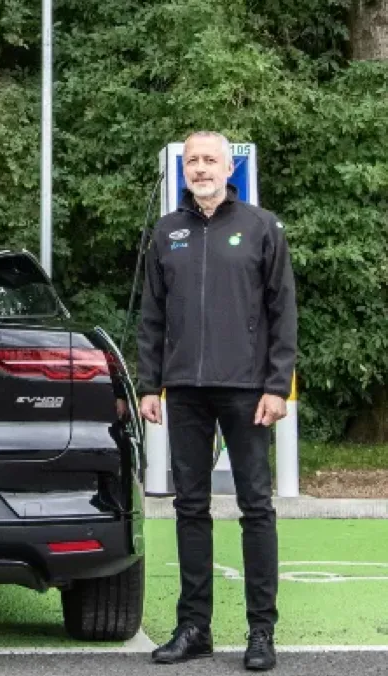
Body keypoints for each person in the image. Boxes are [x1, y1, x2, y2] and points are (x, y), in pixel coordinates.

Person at [136, 131, 297, 671]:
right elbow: (152, 317)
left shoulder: (261, 227)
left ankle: (261, 631)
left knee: (256, 508)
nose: (200, 168)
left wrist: (277, 385)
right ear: (183, 170)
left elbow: (283, 313)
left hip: (249, 391)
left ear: (229, 168)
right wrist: (148, 384)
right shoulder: (167, 232)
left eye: (209, 159)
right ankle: (194, 627)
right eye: (192, 160)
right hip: (184, 392)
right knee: (190, 508)